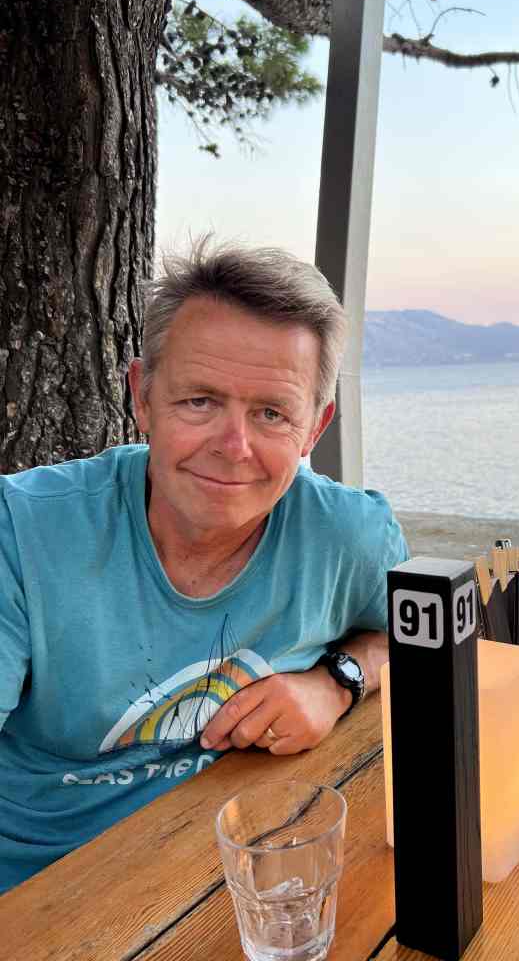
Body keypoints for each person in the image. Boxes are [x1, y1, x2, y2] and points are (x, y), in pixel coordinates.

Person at [0, 241, 408, 893]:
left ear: (314, 428)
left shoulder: (348, 534)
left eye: (271, 413)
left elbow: (413, 643)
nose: (233, 447)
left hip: (241, 875)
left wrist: (337, 682)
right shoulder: (23, 530)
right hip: (40, 888)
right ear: (142, 397)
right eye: (199, 401)